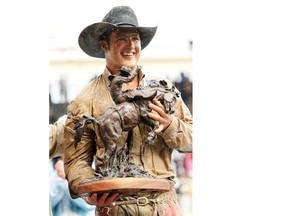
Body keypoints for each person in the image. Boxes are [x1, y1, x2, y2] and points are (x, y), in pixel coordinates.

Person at [63, 6, 193, 216]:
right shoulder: (84, 100)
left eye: (135, 39)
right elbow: (76, 161)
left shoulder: (164, 90)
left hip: (163, 207)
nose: (131, 46)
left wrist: (170, 125)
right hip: (115, 208)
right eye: (122, 38)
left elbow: (194, 139)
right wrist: (86, 186)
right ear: (104, 45)